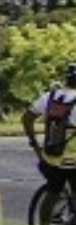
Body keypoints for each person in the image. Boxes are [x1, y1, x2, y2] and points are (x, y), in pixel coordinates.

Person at [22, 63, 76, 217]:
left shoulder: (50, 96)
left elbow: (27, 118)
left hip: (51, 157)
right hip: (73, 159)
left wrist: (34, 144)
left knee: (53, 191)